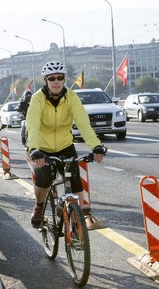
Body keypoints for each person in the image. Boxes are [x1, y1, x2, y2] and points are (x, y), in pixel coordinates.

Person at [26, 60, 107, 230]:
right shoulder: (37, 99)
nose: (56, 81)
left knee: (75, 180)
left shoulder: (71, 96)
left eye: (60, 78)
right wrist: (34, 149)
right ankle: (39, 206)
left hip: (65, 145)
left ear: (64, 79)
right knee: (44, 179)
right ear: (46, 81)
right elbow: (32, 125)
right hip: (42, 148)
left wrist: (96, 146)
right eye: (52, 78)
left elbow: (83, 123)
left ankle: (77, 218)